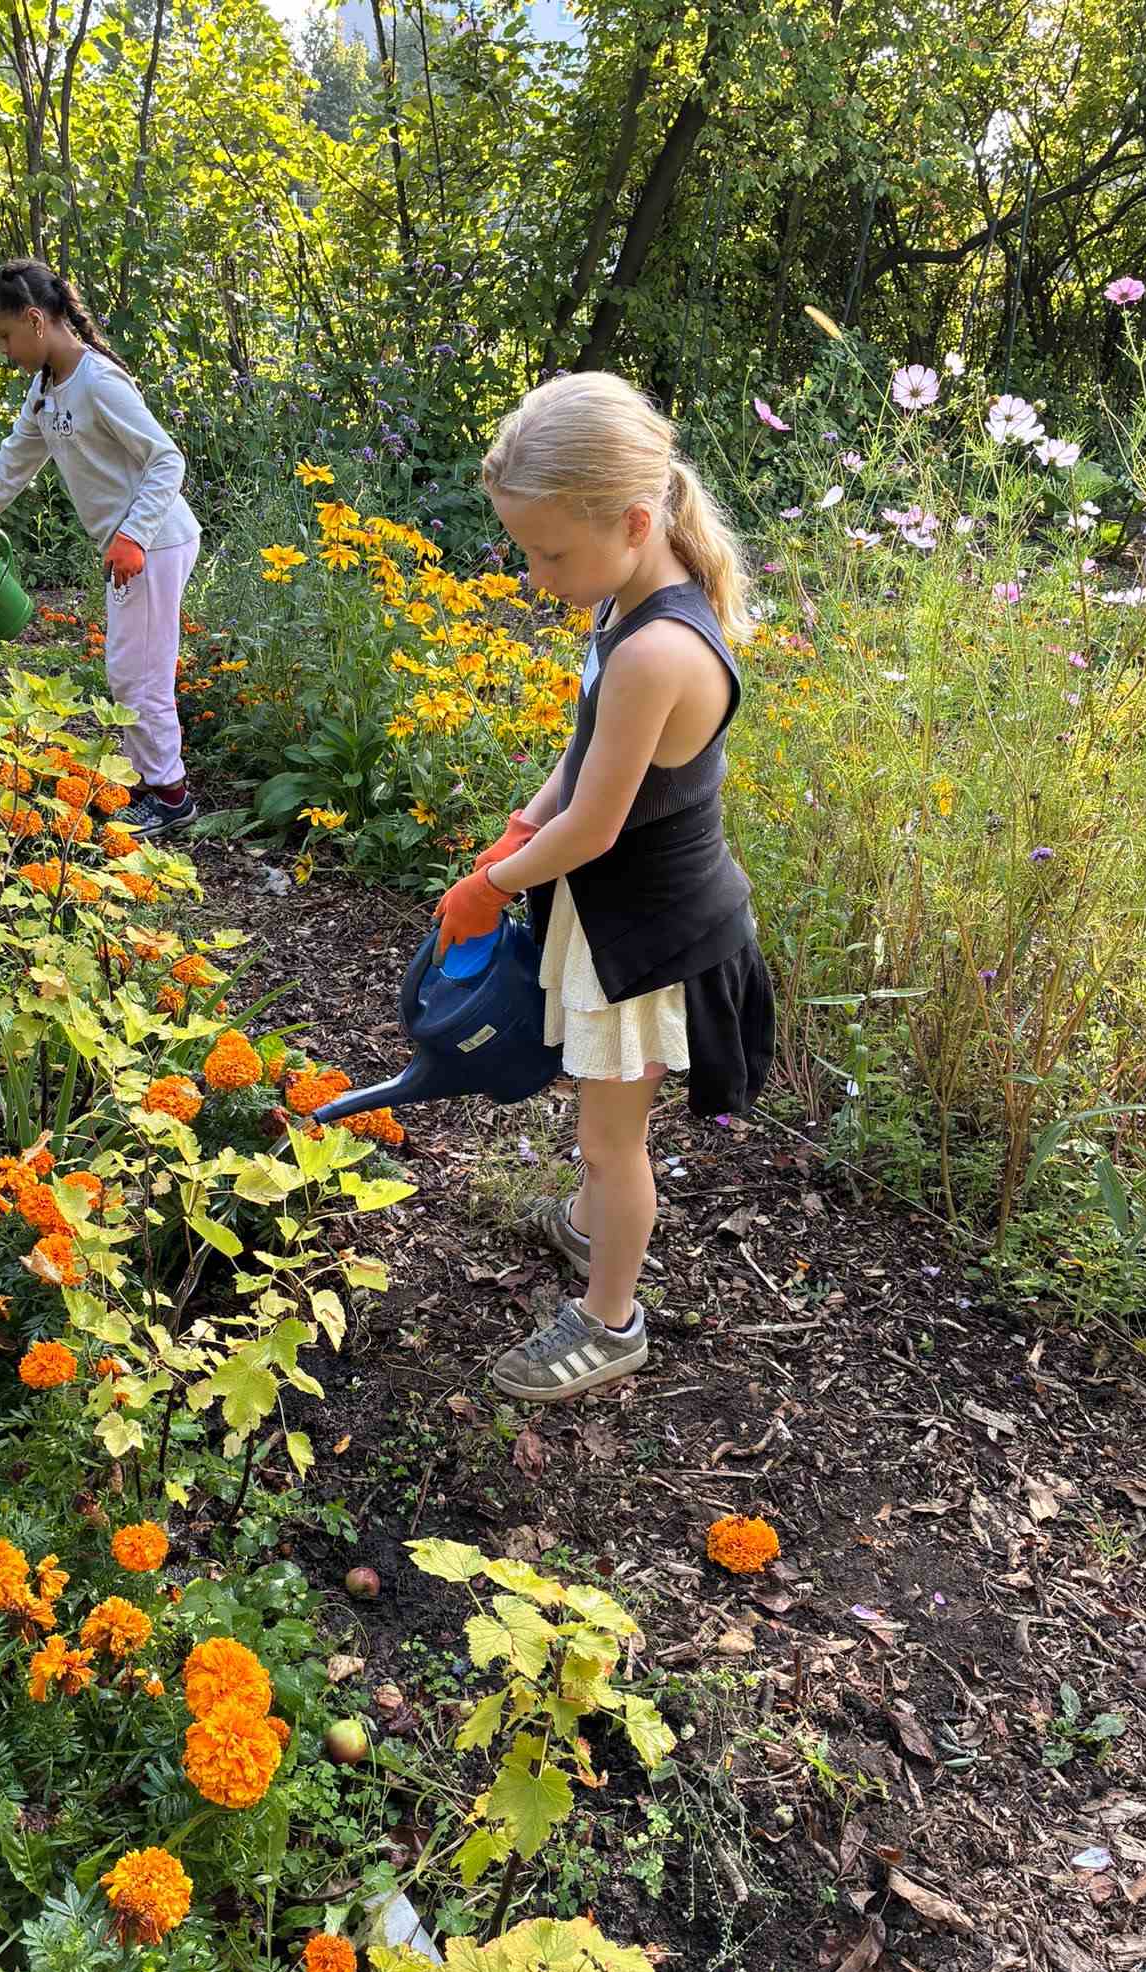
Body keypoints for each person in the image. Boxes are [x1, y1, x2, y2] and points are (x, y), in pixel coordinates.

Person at [434, 371, 774, 1404]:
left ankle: (610, 1319)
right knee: (601, 1129)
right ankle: (591, 1224)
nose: (537, 575)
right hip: (615, 911)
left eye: (549, 553)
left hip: (653, 938)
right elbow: (584, 764)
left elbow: (597, 824)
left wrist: (491, 886)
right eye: (528, 552)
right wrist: (523, 822)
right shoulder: (625, 600)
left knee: (609, 1139)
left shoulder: (658, 647)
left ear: (632, 521)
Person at [0, 258, 202, 837]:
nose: (3, 350)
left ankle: (171, 797)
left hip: (153, 542)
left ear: (35, 320)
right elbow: (14, 461)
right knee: (128, 669)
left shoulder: (98, 381)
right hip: (131, 545)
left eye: (5, 335)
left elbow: (166, 459)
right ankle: (145, 780)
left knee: (140, 675)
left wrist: (134, 535)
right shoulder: (46, 389)